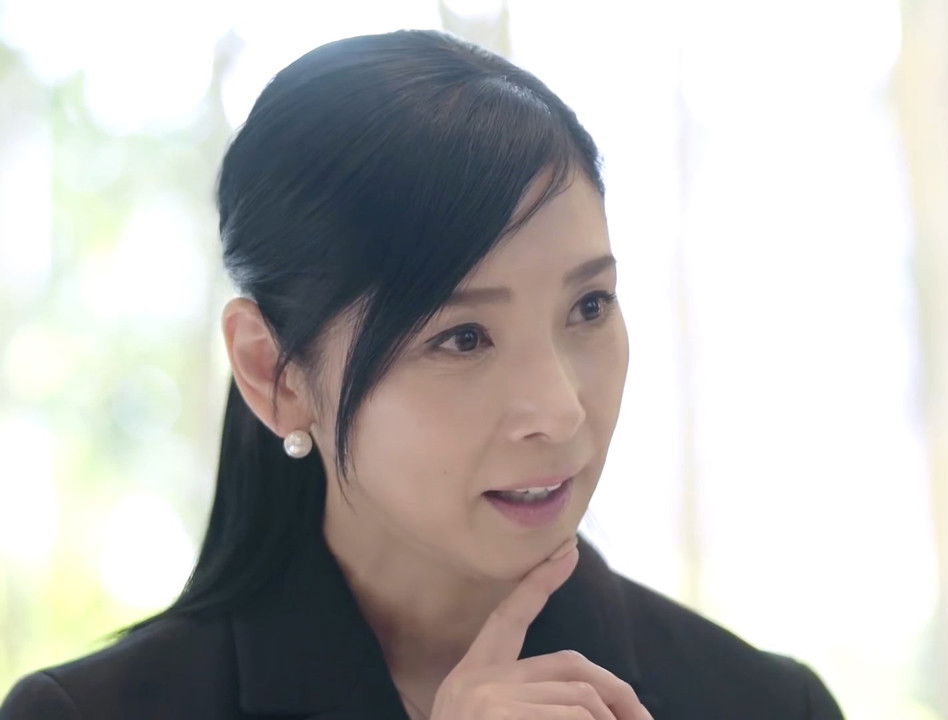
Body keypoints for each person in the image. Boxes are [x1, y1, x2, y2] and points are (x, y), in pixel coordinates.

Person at [0, 28, 844, 719]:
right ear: (275, 373)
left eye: (589, 306)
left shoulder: (766, 704)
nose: (560, 410)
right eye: (464, 338)